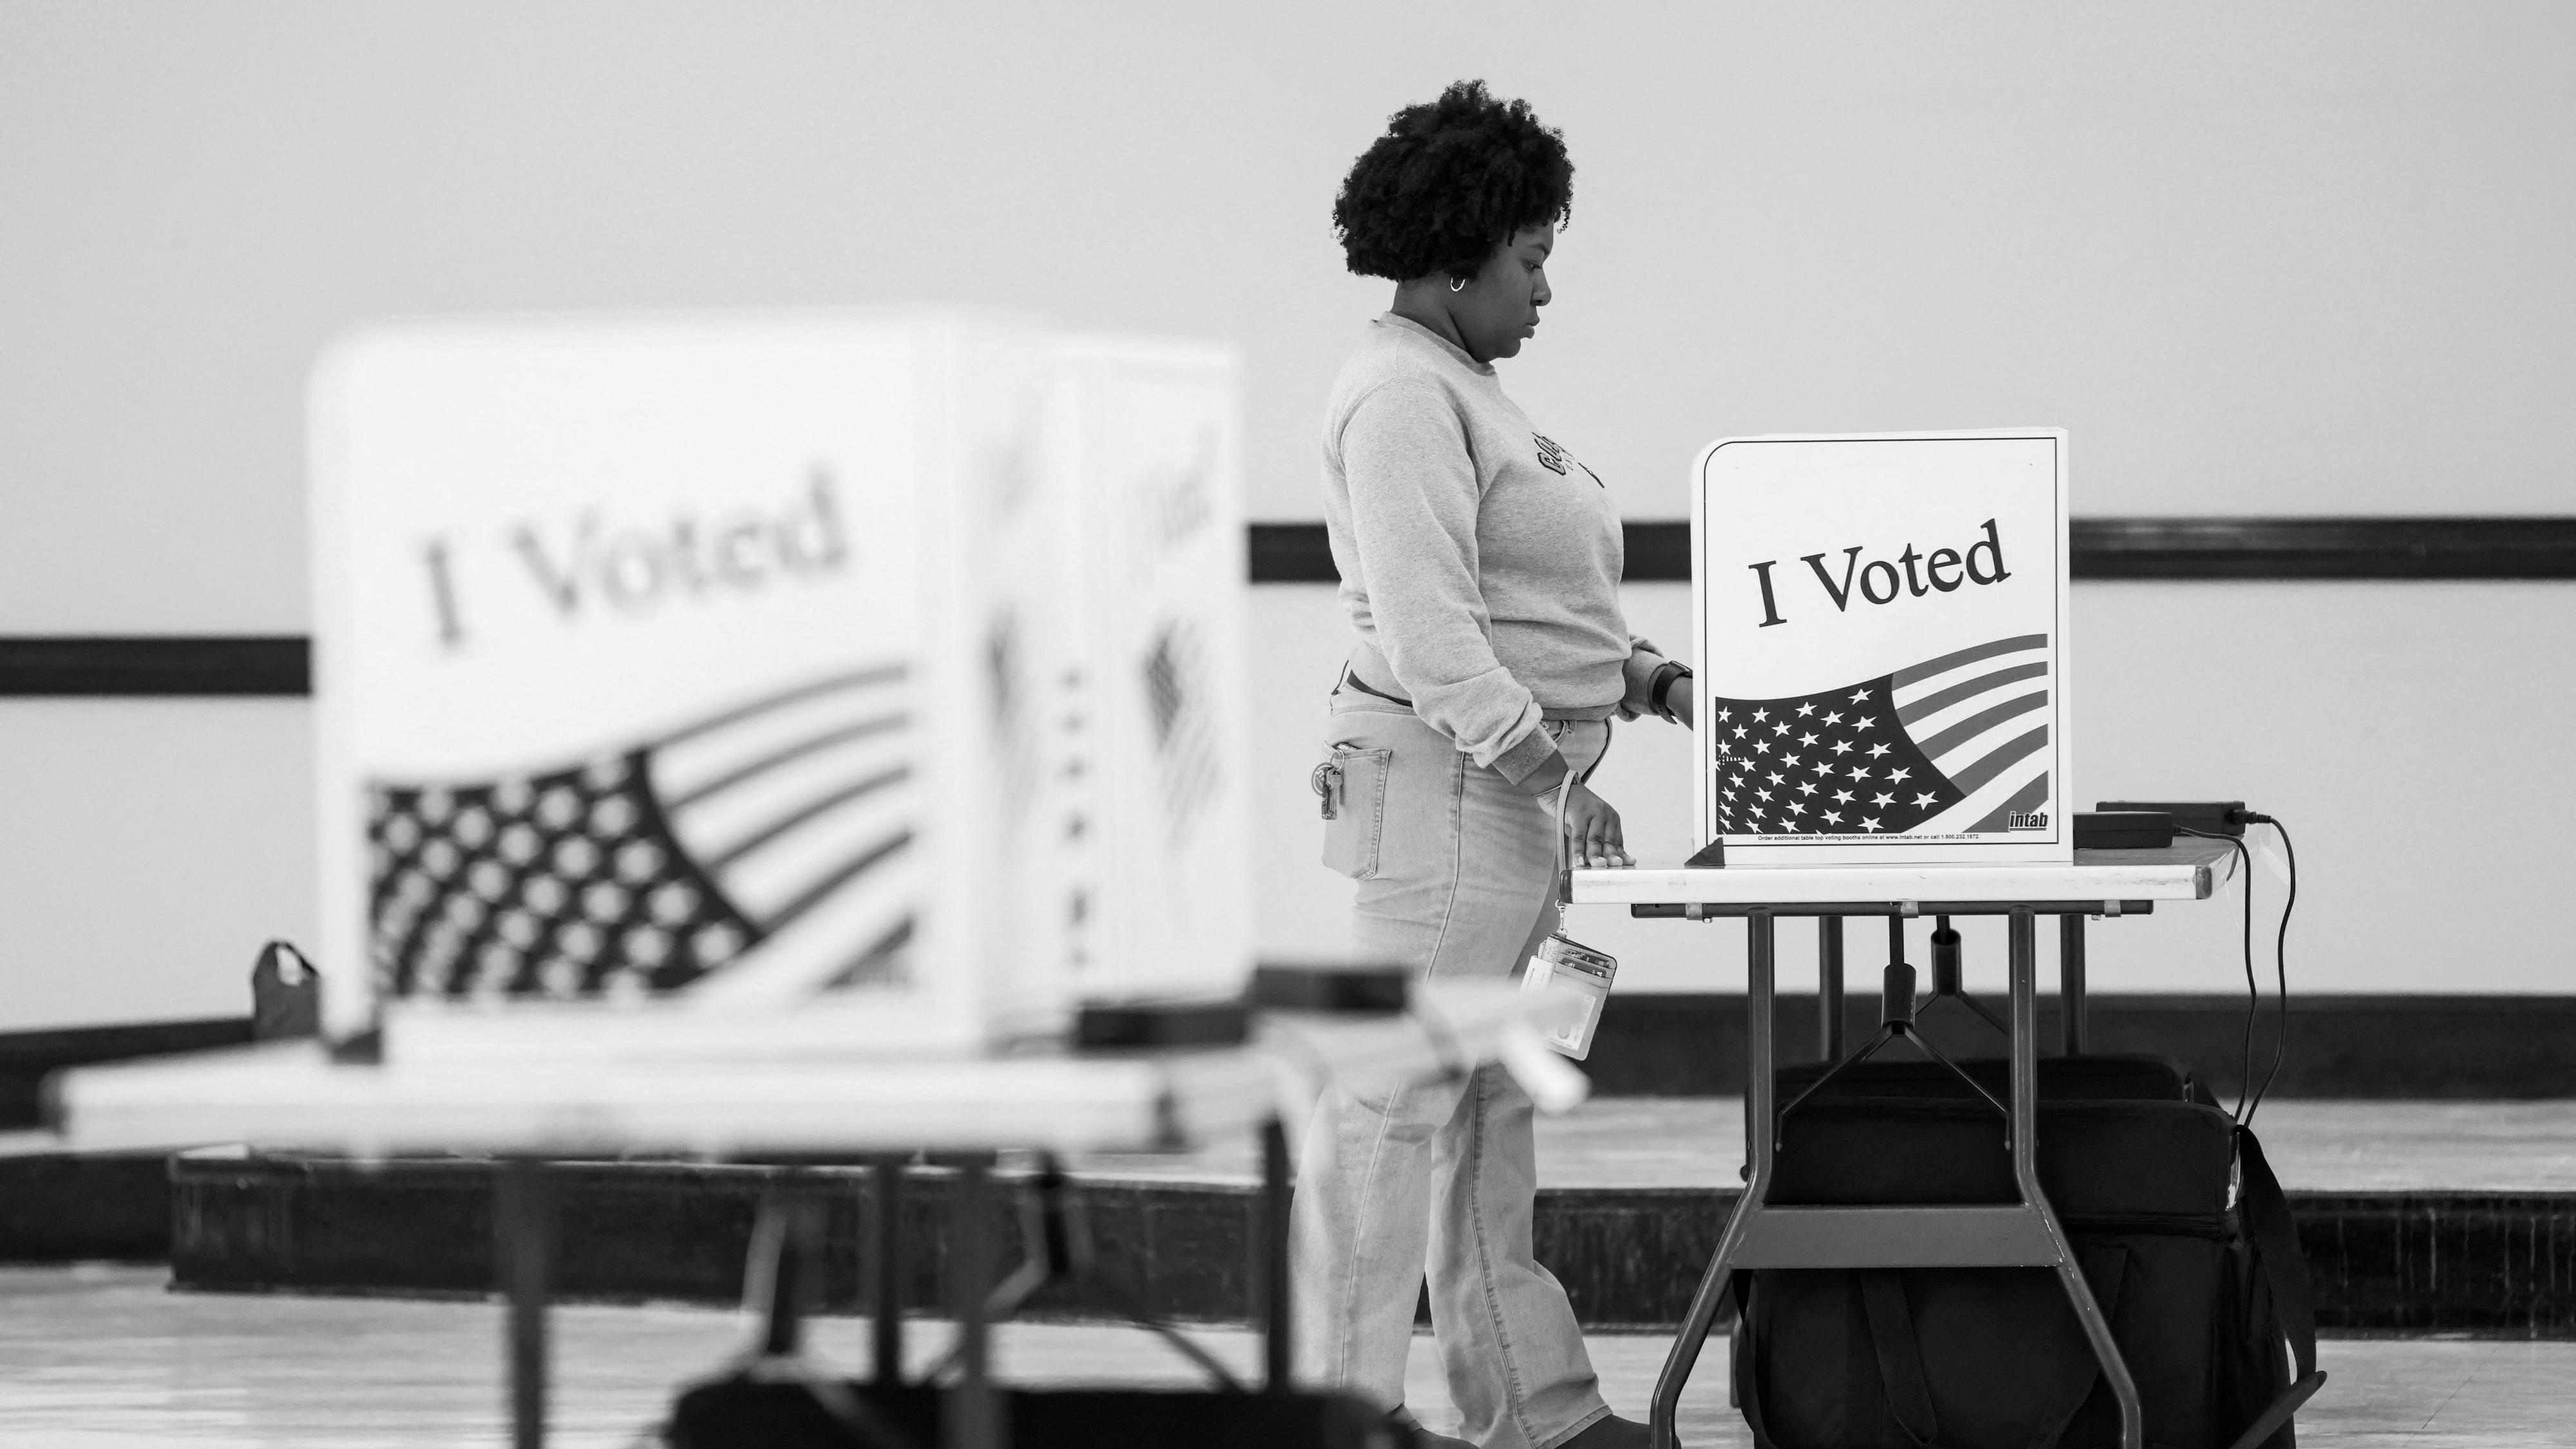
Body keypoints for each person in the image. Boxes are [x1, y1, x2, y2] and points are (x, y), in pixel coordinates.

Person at [1296, 80, 1695, 1449]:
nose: (1543, 290)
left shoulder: (1461, 387)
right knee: (1389, 1111)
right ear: (1459, 255)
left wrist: (1643, 679)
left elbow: (1532, 605)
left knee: (1480, 1109)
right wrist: (1555, 774)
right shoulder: (1401, 396)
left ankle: (1535, 1411)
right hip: (1454, 793)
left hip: (1497, 794)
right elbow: (1431, 635)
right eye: (1529, 261)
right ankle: (1335, 1421)